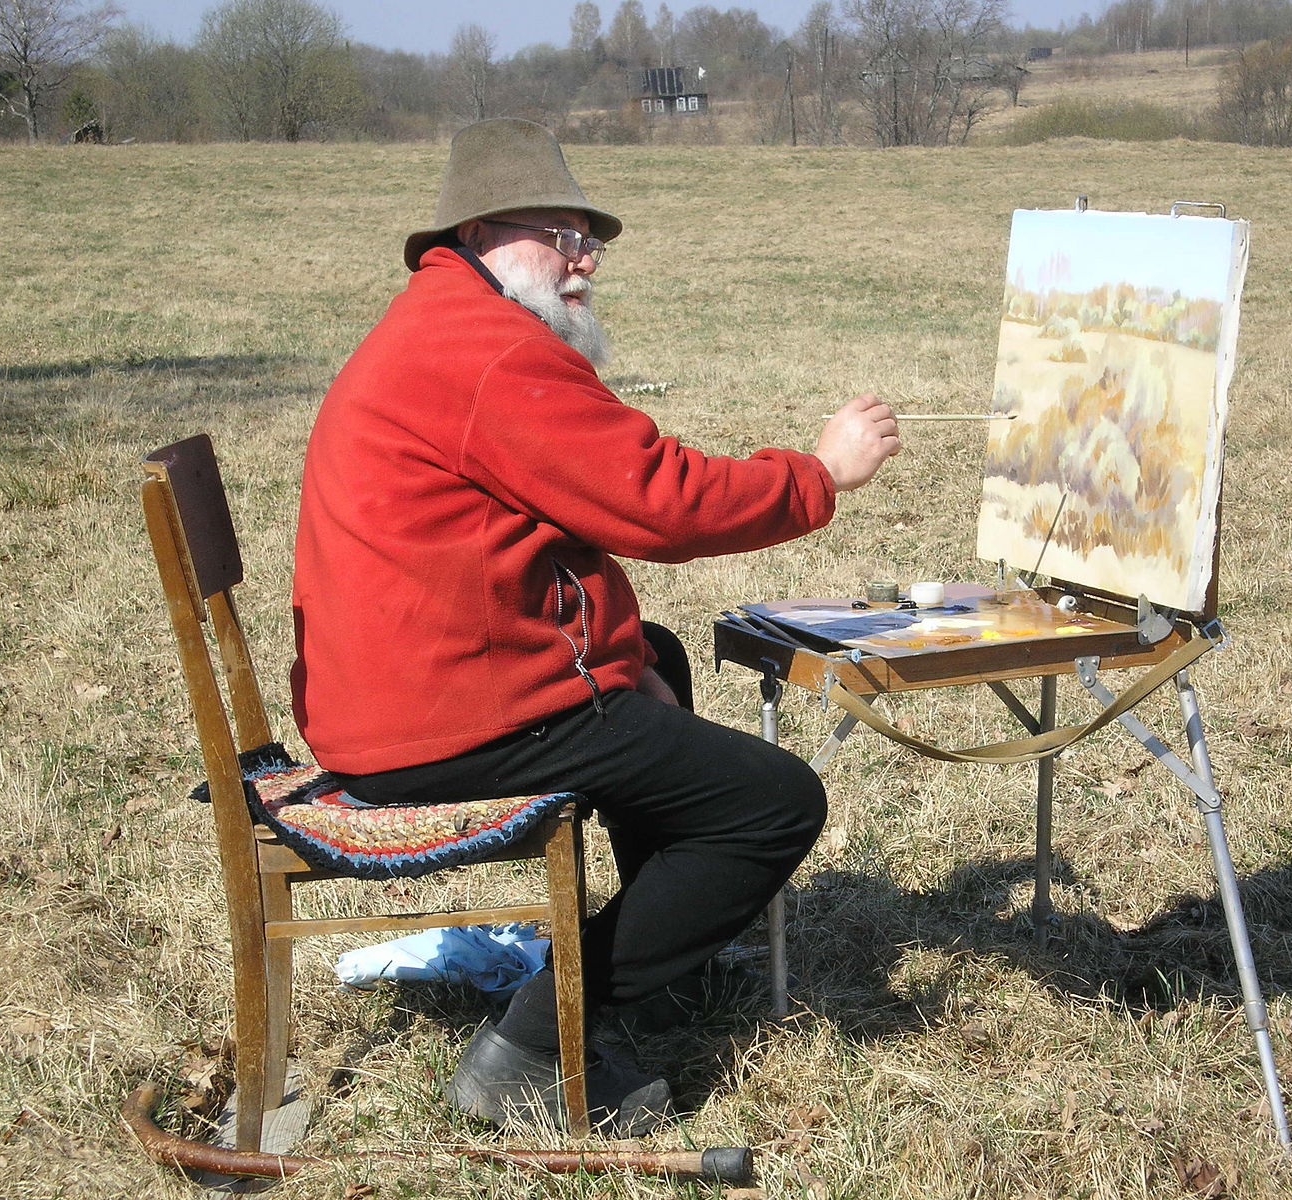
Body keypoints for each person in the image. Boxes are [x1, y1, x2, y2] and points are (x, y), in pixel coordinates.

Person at [290, 118, 900, 1136]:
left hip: (407, 690)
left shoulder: (447, 322)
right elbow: (656, 502)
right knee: (773, 803)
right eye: (561, 235)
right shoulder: (486, 352)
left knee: (656, 655)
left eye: (590, 240)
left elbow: (564, 538)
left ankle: (656, 965)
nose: (584, 259)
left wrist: (622, 663)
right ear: (481, 233)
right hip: (440, 719)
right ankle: (536, 1045)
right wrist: (818, 473)